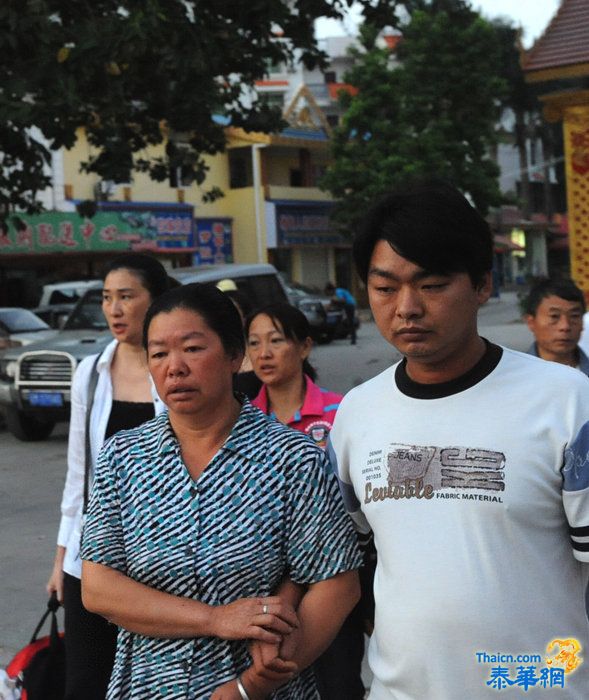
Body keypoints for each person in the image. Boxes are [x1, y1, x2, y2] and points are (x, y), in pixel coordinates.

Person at [328, 179, 589, 699]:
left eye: (431, 285)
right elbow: (356, 563)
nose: (406, 308)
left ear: (482, 286)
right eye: (384, 288)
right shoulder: (357, 414)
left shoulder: (565, 401)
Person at [80, 283, 361, 699]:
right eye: (158, 354)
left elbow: (337, 582)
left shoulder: (291, 458)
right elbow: (99, 586)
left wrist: (259, 681)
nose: (174, 367)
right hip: (147, 686)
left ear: (234, 356)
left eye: (192, 348)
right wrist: (214, 619)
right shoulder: (123, 457)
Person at [46, 253, 171, 699]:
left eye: (126, 297)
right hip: (96, 559)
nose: (114, 309)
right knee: (85, 683)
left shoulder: (175, 372)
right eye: (106, 298)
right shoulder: (91, 374)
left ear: (155, 301)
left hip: (162, 557)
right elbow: (79, 476)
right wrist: (62, 560)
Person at [245, 302, 366, 699]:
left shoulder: (340, 412)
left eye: (276, 341)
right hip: (262, 585)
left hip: (332, 575)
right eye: (254, 343)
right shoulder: (241, 421)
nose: (264, 353)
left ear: (305, 347)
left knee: (338, 683)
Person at [524, 277, 589, 376]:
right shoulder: (514, 377)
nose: (565, 326)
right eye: (554, 316)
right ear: (531, 322)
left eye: (574, 316)